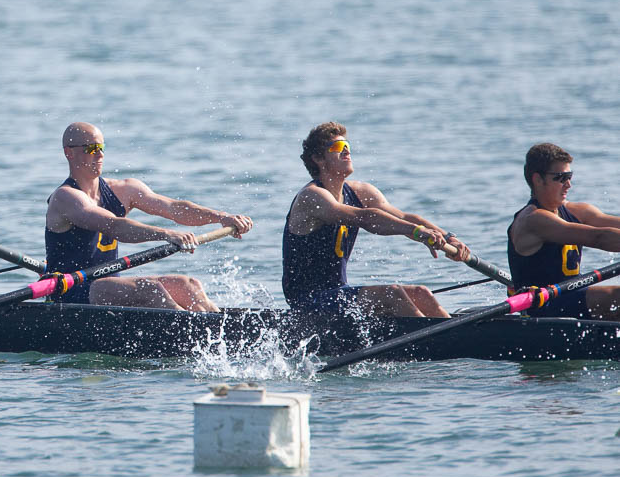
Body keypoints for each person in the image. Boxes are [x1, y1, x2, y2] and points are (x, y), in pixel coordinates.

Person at [44, 122, 252, 312]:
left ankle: (221, 336)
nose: (99, 154)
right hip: (72, 293)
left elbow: (174, 208)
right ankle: (192, 336)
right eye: (90, 149)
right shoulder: (65, 197)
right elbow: (114, 226)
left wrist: (221, 217)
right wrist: (166, 234)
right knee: (150, 290)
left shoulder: (123, 189)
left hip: (108, 288)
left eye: (101, 148)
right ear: (69, 153)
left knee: (189, 286)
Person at [282, 122, 469, 317]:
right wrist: (415, 231)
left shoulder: (361, 191)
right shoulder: (312, 196)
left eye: (347, 146)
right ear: (318, 158)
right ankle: (437, 342)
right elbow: (363, 218)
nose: (346, 150)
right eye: (337, 147)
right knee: (393, 294)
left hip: (339, 294)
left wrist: (448, 238)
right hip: (308, 302)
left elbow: (403, 217)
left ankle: (454, 338)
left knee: (422, 293)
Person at [507, 143, 620, 320]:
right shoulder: (533, 220)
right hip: (542, 308)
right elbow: (598, 237)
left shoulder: (576, 211)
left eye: (570, 176)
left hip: (574, 297)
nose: (568, 184)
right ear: (538, 180)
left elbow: (611, 223)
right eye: (561, 177)